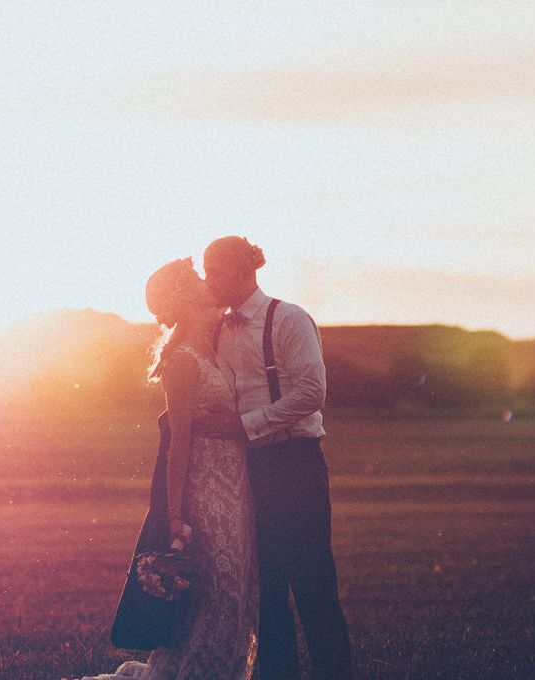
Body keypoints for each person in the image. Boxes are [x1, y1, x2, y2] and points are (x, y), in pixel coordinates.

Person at [75, 257, 258, 680]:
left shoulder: (219, 344)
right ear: (183, 295)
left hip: (238, 485)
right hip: (208, 492)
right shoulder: (182, 361)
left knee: (238, 591)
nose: (205, 280)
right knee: (218, 591)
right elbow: (178, 443)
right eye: (196, 277)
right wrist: (175, 518)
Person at [203, 236, 352, 679]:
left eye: (216, 270)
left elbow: (312, 393)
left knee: (313, 582)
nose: (209, 280)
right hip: (252, 469)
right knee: (265, 589)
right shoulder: (219, 329)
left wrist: (247, 424)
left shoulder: (289, 319)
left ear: (245, 271)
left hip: (297, 464)